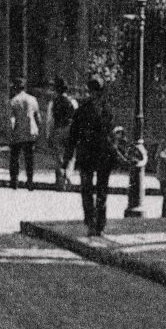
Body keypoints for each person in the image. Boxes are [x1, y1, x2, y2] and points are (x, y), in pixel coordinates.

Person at [68, 81, 117, 235]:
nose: (96, 94)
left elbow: (112, 133)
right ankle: (94, 222)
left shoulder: (102, 110)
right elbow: (73, 135)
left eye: (98, 91)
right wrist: (68, 158)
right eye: (95, 91)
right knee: (92, 189)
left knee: (96, 190)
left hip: (96, 155)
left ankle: (96, 223)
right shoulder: (89, 110)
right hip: (93, 155)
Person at [5, 79, 44, 188]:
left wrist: (10, 133)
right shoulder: (33, 100)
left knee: (14, 158)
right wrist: (38, 130)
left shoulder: (13, 101)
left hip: (18, 133)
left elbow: (11, 120)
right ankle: (30, 181)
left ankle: (14, 181)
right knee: (29, 158)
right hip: (30, 132)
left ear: (16, 88)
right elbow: (38, 117)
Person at [45, 79, 77, 192]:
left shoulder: (52, 102)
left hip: (58, 129)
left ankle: (60, 181)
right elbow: (76, 119)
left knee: (58, 156)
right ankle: (67, 175)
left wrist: (48, 134)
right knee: (71, 155)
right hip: (70, 130)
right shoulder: (72, 102)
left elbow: (50, 120)